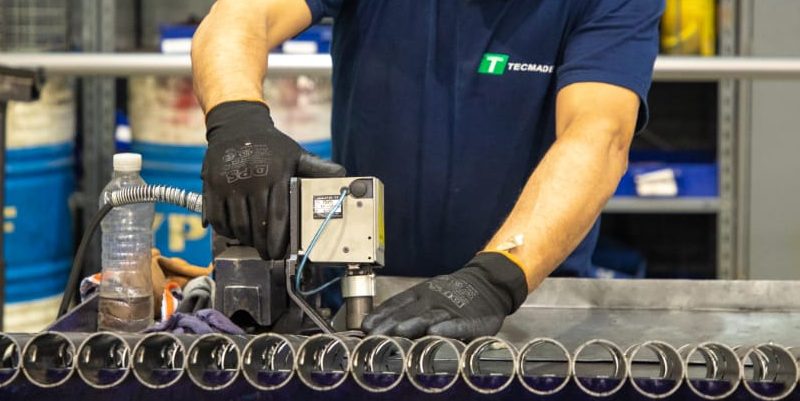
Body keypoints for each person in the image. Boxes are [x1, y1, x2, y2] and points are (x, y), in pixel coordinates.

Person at [192, 0, 664, 340]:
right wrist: (239, 122)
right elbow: (240, 15)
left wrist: (498, 277)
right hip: (359, 304)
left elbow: (599, 134)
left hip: (529, 308)